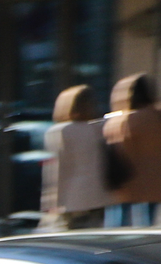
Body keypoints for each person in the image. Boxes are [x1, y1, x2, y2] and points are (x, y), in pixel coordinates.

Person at [102, 73, 161, 228]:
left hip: (129, 180)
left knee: (118, 221)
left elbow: (120, 153)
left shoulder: (123, 121)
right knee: (148, 221)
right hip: (157, 177)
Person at [40, 85, 111, 231]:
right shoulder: (98, 128)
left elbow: (58, 169)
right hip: (99, 195)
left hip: (72, 198)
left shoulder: (60, 131)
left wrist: (52, 202)